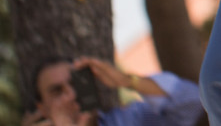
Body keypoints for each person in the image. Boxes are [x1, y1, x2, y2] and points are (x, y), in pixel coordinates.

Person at [23, 57, 203, 126]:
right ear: (43, 108)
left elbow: (195, 105)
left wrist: (128, 81)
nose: (71, 95)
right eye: (57, 92)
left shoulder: (131, 119)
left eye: (75, 84)